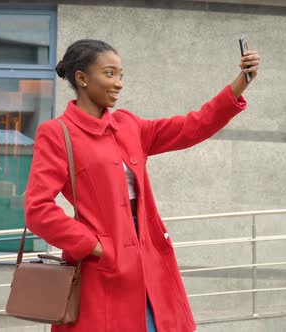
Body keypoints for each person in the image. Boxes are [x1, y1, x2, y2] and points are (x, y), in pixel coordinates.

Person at [25, 39, 260, 332]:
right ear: (82, 78)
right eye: (109, 74)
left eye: (121, 75)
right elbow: (38, 209)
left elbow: (193, 125)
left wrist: (239, 84)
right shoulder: (58, 133)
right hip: (102, 271)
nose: (119, 83)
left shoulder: (128, 125)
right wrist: (95, 247)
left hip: (151, 262)